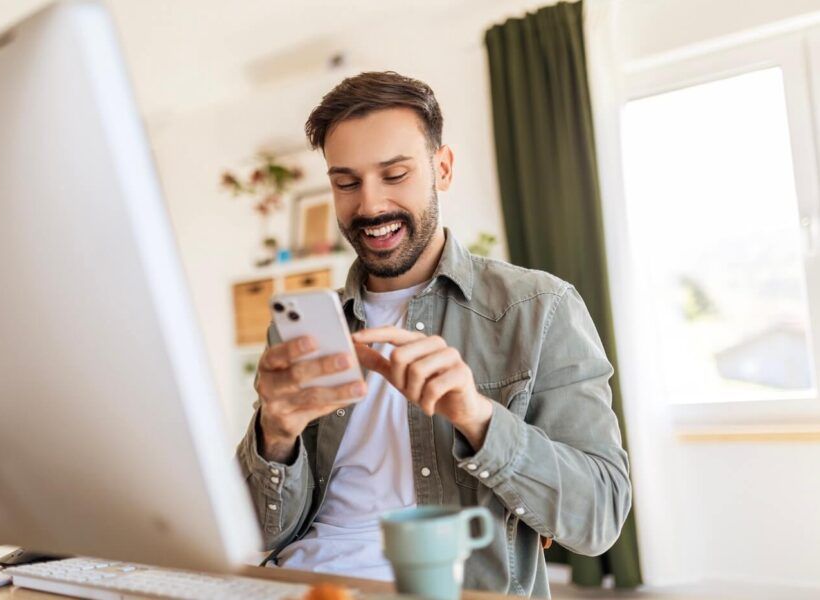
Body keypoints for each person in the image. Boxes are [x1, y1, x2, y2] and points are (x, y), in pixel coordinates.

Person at [236, 71, 631, 597]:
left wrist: (477, 417)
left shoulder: (539, 308)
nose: (370, 206)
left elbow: (598, 518)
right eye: (346, 182)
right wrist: (275, 436)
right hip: (299, 585)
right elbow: (255, 535)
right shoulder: (305, 329)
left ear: (441, 169)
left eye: (395, 174)